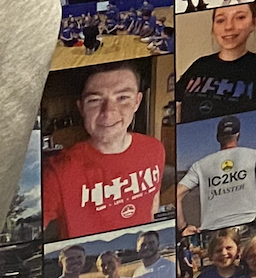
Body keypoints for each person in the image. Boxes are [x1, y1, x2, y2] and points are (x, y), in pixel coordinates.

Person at [42, 62, 164, 237]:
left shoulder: (154, 149)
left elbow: (151, 208)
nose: (108, 112)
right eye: (95, 100)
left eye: (122, 98)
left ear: (137, 102)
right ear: (81, 108)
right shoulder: (56, 172)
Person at [180, 113, 256, 231]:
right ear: (238, 135)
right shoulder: (253, 155)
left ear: (217, 137)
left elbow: (178, 193)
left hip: (212, 228)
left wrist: (183, 228)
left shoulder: (199, 165)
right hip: (248, 223)